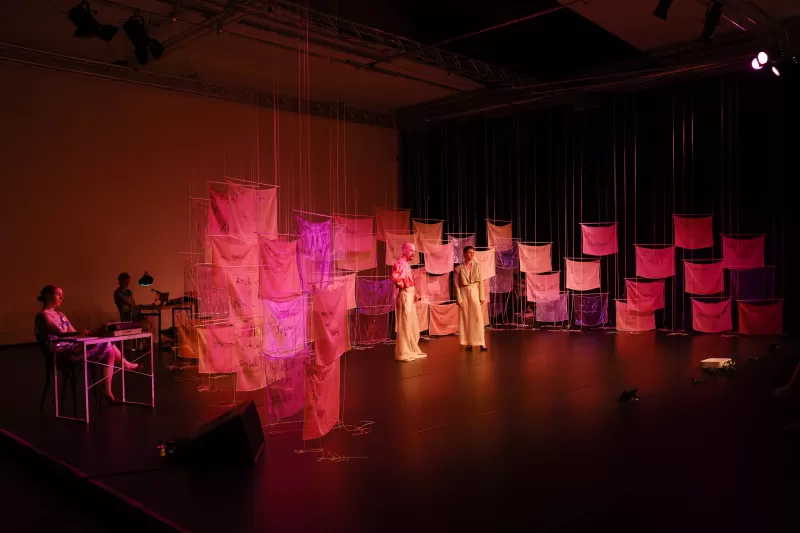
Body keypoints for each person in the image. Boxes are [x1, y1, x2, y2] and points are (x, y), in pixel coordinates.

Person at [34, 285, 139, 403]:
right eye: (58, 294)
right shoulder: (43, 316)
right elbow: (61, 334)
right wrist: (89, 333)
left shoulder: (61, 315)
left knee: (108, 349)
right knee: (107, 344)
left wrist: (90, 332)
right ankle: (126, 365)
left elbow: (74, 333)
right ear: (47, 295)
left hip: (72, 346)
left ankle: (107, 390)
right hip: (61, 353)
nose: (62, 297)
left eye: (62, 294)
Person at [391, 242, 427, 362]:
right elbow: (395, 278)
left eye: (414, 251)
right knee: (405, 323)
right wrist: (404, 287)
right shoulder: (400, 264)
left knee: (411, 323)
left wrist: (414, 293)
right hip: (405, 295)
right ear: (404, 251)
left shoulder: (406, 264)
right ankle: (404, 351)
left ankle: (411, 349)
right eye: (411, 250)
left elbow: (409, 280)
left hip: (409, 295)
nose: (413, 253)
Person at [454, 245, 487, 351]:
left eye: (473, 252)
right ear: (464, 254)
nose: (472, 254)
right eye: (470, 252)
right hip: (464, 292)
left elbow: (481, 281)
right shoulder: (458, 268)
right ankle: (468, 343)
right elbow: (456, 284)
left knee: (477, 317)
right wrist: (459, 298)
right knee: (466, 318)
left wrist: (482, 296)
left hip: (474, 291)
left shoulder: (477, 265)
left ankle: (481, 342)